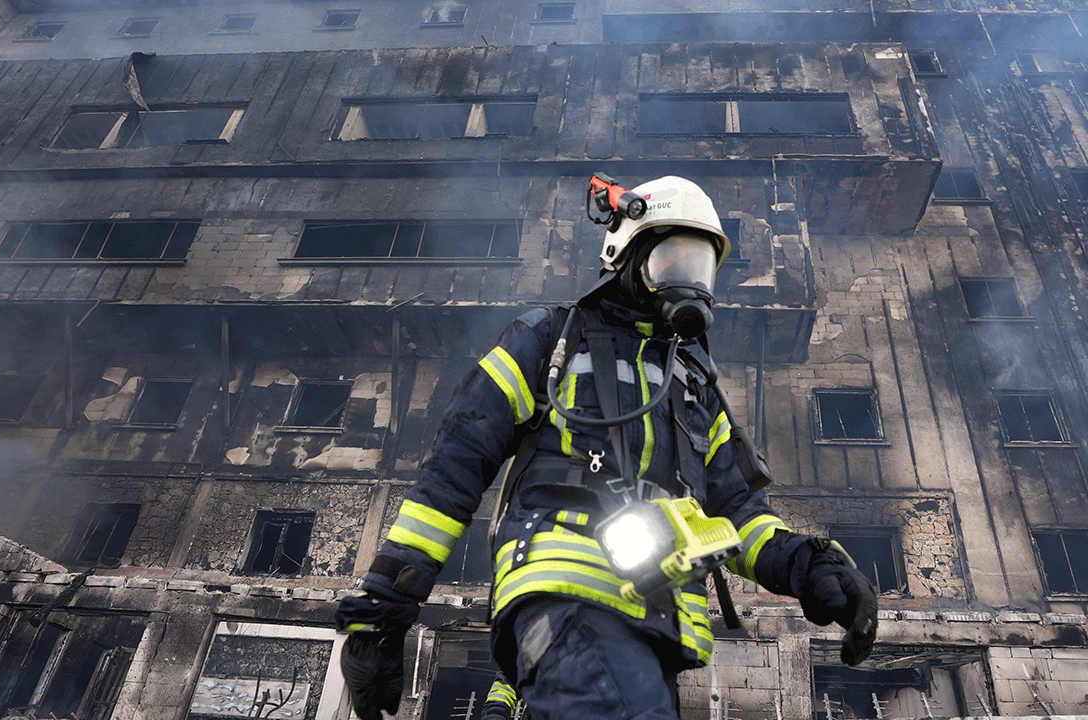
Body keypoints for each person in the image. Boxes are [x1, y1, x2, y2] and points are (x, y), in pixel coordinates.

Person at [336, 176, 878, 720]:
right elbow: (452, 470)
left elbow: (736, 513)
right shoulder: (549, 340)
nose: (688, 283)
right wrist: (386, 605)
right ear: (626, 253)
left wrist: (810, 565)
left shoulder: (694, 385)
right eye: (672, 262)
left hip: (658, 623)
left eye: (700, 268)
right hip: (565, 592)